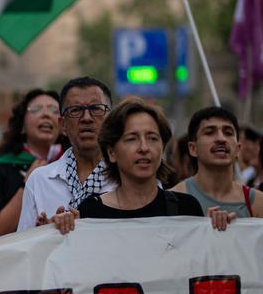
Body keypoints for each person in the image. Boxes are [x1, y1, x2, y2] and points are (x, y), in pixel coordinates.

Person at [52, 98, 217, 234]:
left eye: (152, 138)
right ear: (111, 152)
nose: (144, 148)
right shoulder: (92, 211)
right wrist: (59, 229)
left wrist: (220, 227)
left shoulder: (186, 208)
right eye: (132, 139)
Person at [18, 77, 114, 231]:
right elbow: (25, 247)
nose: (87, 118)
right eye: (76, 110)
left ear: (111, 120)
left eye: (96, 108)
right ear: (62, 125)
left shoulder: (128, 178)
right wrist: (45, 234)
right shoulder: (40, 181)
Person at [0, 89, 64, 243]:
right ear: (22, 124)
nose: (46, 114)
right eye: (36, 109)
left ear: (63, 125)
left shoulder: (76, 166)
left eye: (54, 110)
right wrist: (28, 183)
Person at [171, 107, 263, 219]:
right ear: (193, 148)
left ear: (238, 149)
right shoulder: (173, 200)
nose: (221, 138)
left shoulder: (257, 203)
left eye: (228, 133)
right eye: (209, 132)